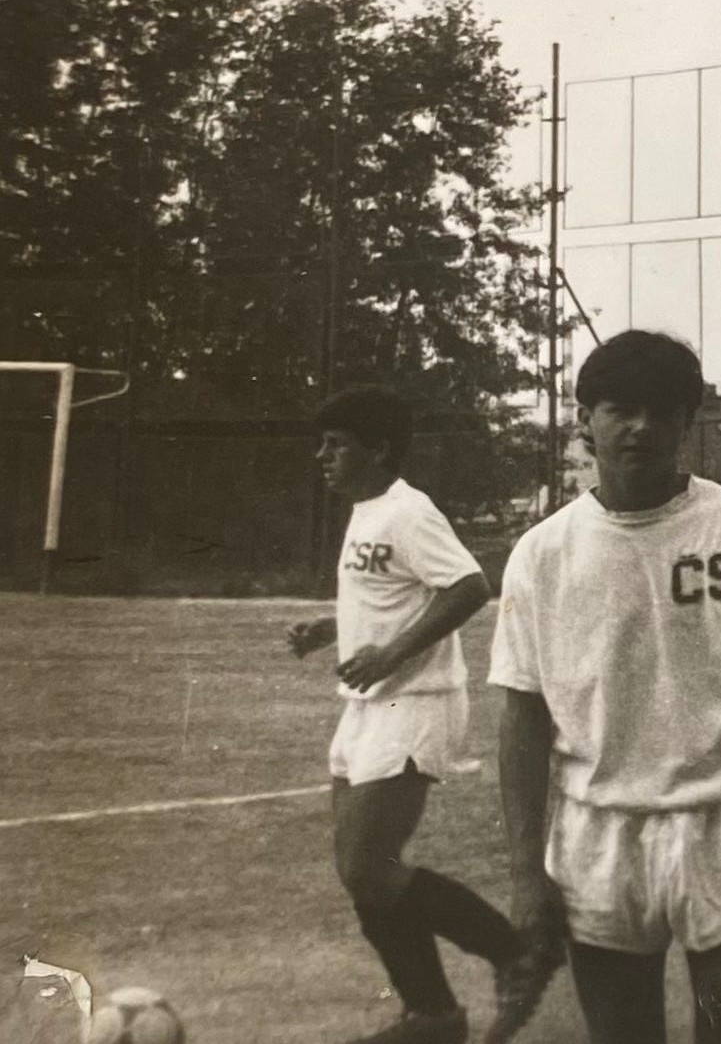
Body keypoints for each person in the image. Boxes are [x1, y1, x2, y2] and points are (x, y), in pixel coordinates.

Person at [490, 330, 721, 1044]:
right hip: (601, 834)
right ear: (585, 419)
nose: (641, 427)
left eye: (661, 411)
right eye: (620, 409)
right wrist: (526, 872)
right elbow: (522, 714)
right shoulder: (543, 552)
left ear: (688, 421)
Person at [286, 385, 552, 1044]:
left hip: (416, 702)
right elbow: (393, 597)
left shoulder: (408, 511)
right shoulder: (366, 510)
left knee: (366, 867)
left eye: (336, 445)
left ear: (378, 450)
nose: (322, 456)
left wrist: (390, 655)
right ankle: (432, 1015)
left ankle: (514, 950)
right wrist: (333, 628)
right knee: (363, 875)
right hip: (367, 706)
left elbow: (469, 586)